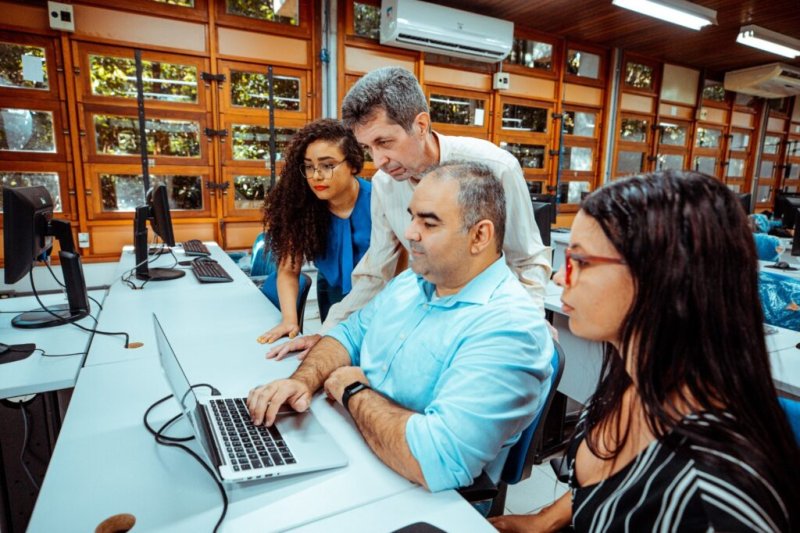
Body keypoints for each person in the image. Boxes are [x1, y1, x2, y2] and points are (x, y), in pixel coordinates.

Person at [490, 170, 800, 532]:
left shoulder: (715, 498)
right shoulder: (632, 384)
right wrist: (541, 520)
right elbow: (608, 489)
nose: (560, 277)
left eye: (582, 262)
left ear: (662, 276)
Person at [248, 161, 554, 492]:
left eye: (429, 223)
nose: (410, 232)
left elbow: (437, 460)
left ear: (480, 235)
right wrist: (302, 383)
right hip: (358, 443)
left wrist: (352, 391)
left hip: (413, 486)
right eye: (412, 216)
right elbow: (348, 335)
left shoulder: (508, 327)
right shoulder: (412, 281)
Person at [268, 66, 551, 360]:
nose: (378, 161)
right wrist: (330, 334)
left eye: (384, 143)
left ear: (421, 125)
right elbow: (376, 271)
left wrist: (526, 327)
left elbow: (527, 260)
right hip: (429, 321)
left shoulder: (496, 167)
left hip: (488, 322)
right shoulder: (384, 184)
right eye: (367, 148)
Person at [256, 119, 371, 343]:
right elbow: (288, 271)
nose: (316, 176)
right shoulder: (301, 207)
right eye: (309, 166)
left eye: (328, 165)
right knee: (331, 346)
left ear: (354, 165)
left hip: (378, 295)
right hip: (332, 289)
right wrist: (290, 320)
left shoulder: (381, 201)